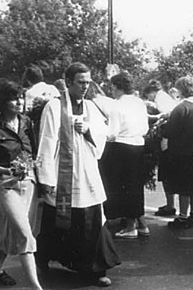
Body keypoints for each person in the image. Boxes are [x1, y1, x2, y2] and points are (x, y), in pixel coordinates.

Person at [35, 62, 120, 287]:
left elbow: (104, 133)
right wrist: (46, 178)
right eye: (80, 82)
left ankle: (95, 268)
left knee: (92, 217)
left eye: (88, 82)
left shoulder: (91, 106)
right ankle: (43, 259)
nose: (85, 86)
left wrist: (89, 130)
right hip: (63, 171)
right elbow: (47, 140)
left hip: (86, 169)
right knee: (58, 217)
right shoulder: (54, 107)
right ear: (69, 82)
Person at [0, 81, 42, 289]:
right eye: (15, 98)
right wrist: (6, 171)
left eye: (21, 97)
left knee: (15, 229)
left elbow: (34, 151)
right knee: (24, 234)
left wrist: (35, 170)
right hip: (6, 185)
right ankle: (36, 287)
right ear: (4, 103)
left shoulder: (26, 122)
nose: (20, 102)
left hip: (29, 183)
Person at [101, 72, 149, 238]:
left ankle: (130, 227)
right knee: (136, 186)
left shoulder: (116, 104)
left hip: (121, 146)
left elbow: (112, 133)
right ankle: (142, 224)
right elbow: (145, 128)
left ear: (116, 86)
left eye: (112, 87)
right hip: (139, 145)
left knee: (123, 187)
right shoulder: (139, 102)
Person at [164, 76, 193, 229]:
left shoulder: (180, 108)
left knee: (183, 187)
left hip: (180, 152)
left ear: (180, 90)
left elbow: (169, 132)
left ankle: (182, 217)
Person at [143, 79, 179, 216]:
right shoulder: (164, 96)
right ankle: (170, 204)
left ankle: (170, 206)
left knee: (166, 174)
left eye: (149, 95)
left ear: (152, 92)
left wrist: (153, 117)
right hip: (170, 139)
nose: (150, 99)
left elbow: (166, 116)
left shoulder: (160, 98)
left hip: (166, 139)